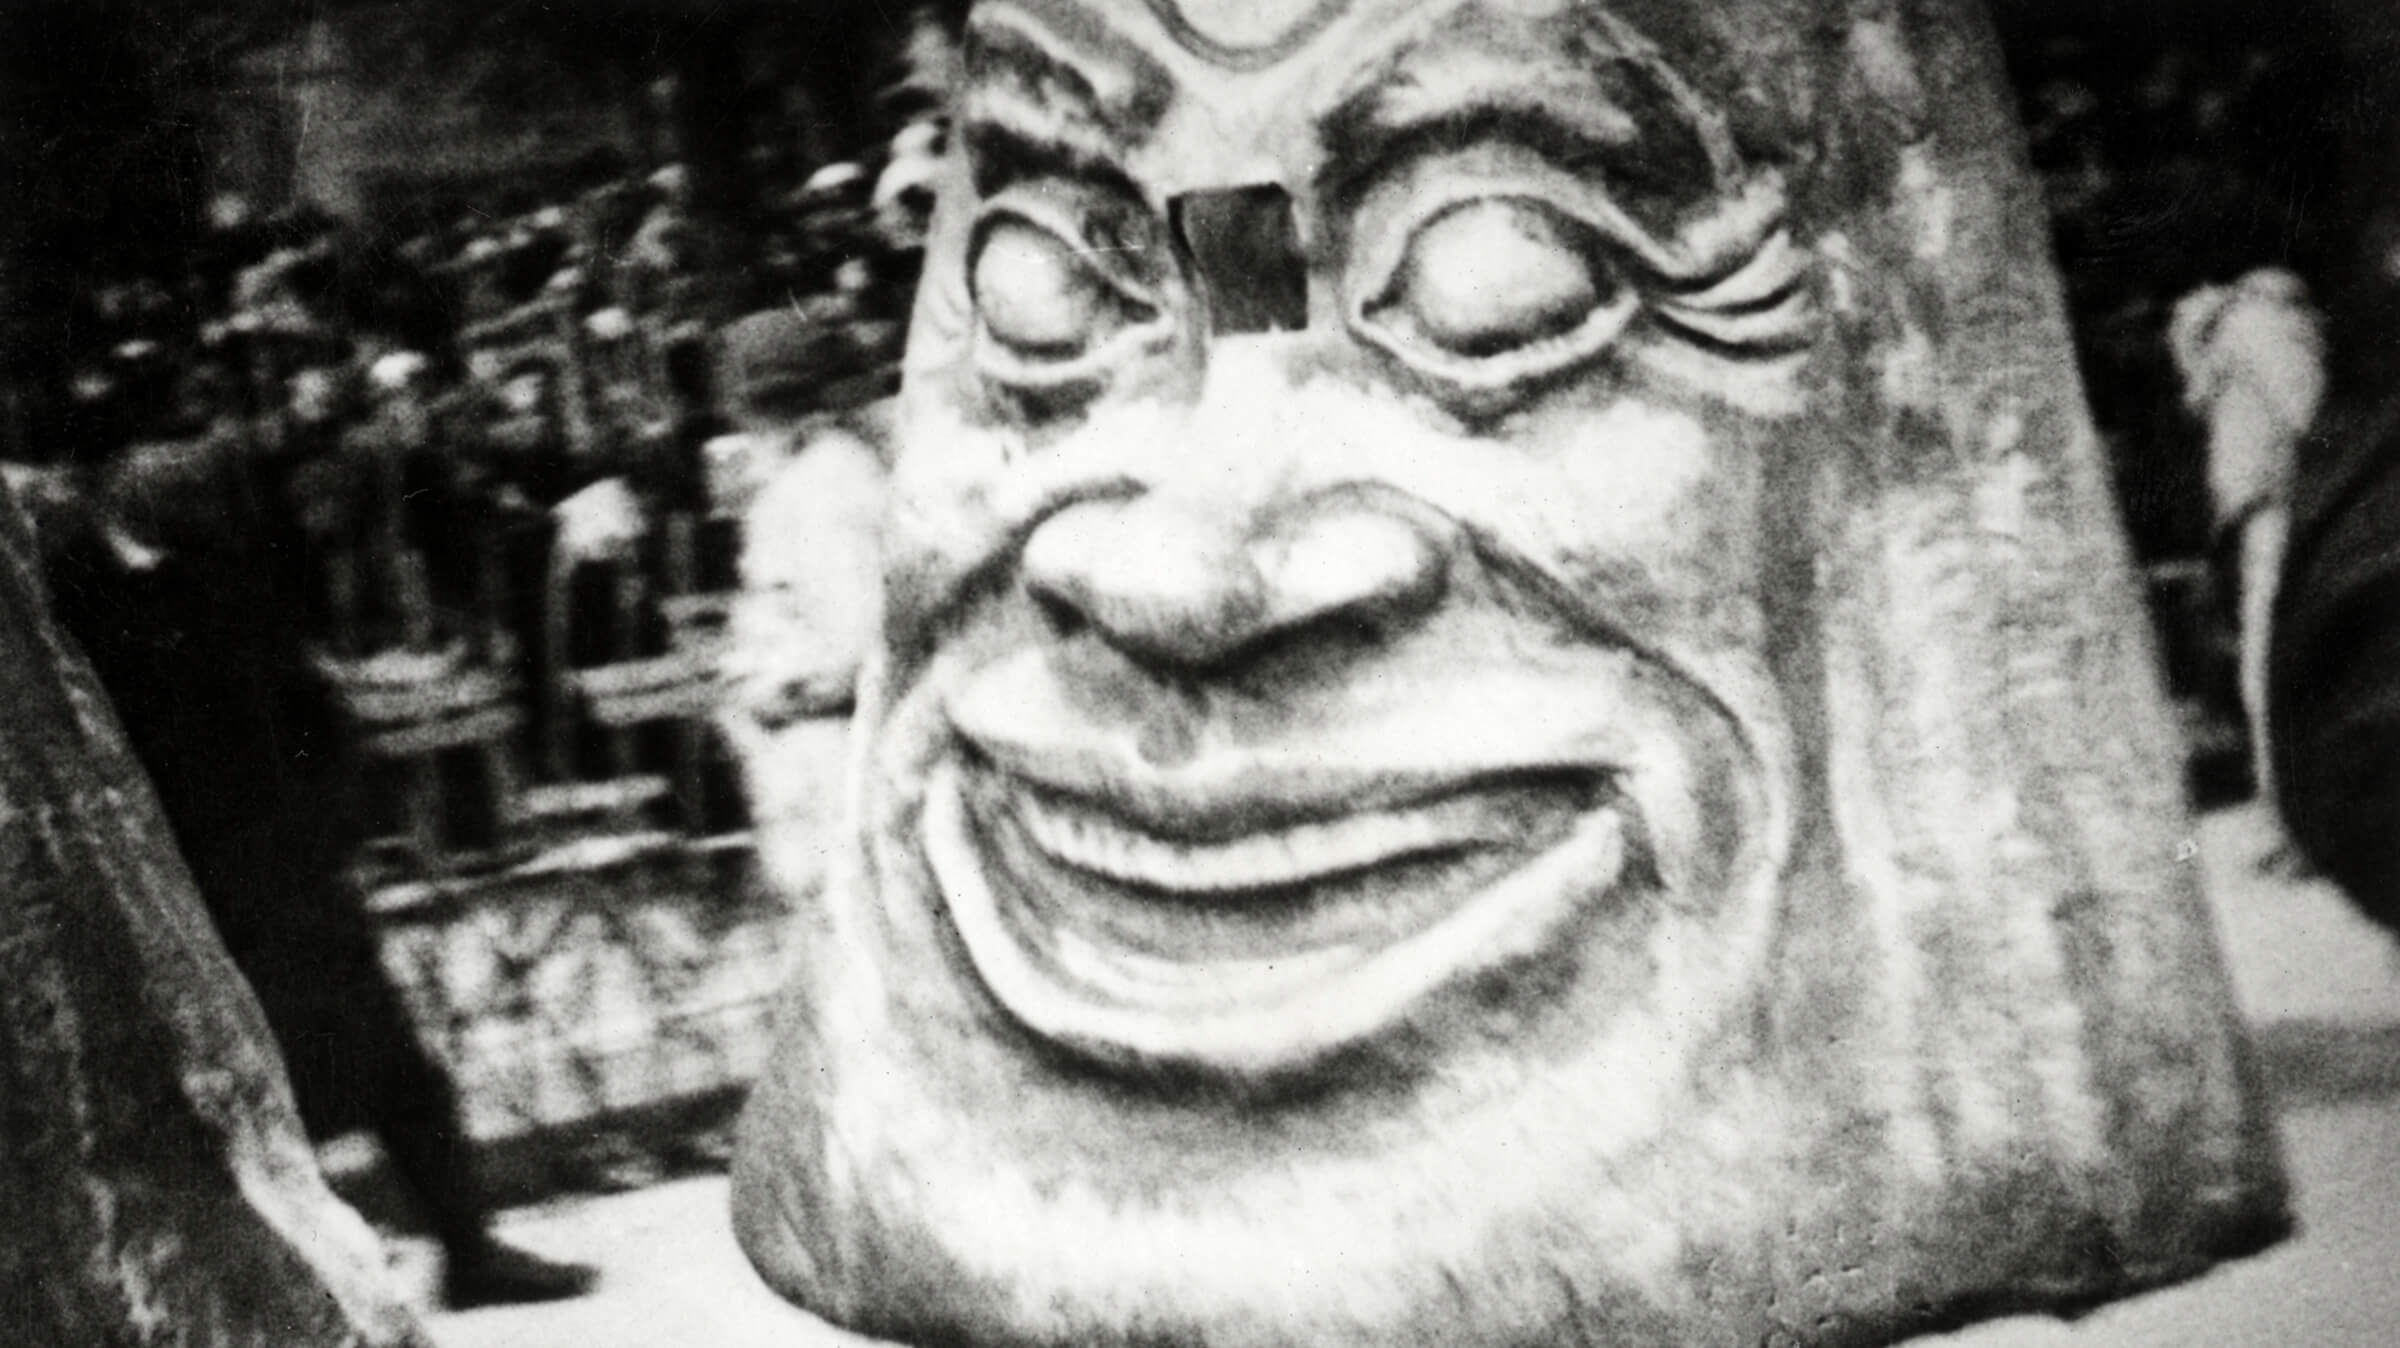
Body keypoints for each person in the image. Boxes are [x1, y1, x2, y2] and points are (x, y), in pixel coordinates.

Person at [30, 401, 596, 1310]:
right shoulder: (68, 594)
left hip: (292, 870)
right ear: (108, 476)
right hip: (187, 894)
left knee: (395, 1065)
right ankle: (292, 1289)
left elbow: (307, 704)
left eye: (191, 445)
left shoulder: (225, 559)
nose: (185, 466)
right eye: (159, 447)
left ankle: (467, 1248)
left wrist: (337, 824)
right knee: (238, 1102)